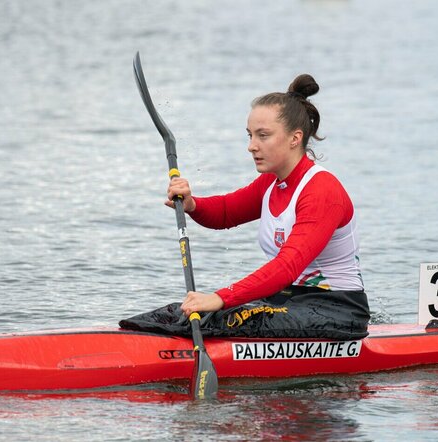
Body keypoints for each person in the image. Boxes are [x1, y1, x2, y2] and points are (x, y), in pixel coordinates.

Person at [121, 74, 370, 340]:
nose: (252, 146)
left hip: (337, 311)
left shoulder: (322, 191)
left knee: (219, 314)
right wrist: (192, 204)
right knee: (180, 313)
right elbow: (226, 212)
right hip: (288, 303)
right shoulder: (271, 183)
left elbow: (287, 267)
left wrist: (220, 297)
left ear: (295, 138)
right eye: (250, 135)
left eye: (263, 135)